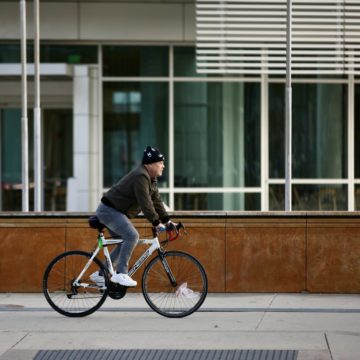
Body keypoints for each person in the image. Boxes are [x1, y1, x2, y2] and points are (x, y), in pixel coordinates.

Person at [90, 146, 175, 287]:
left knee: (124, 241)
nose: (163, 166)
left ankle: (101, 273)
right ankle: (121, 273)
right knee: (132, 236)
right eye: (160, 163)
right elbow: (145, 202)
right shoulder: (141, 176)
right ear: (150, 164)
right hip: (109, 210)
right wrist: (155, 222)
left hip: (113, 211)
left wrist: (168, 221)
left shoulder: (150, 178)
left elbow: (156, 201)